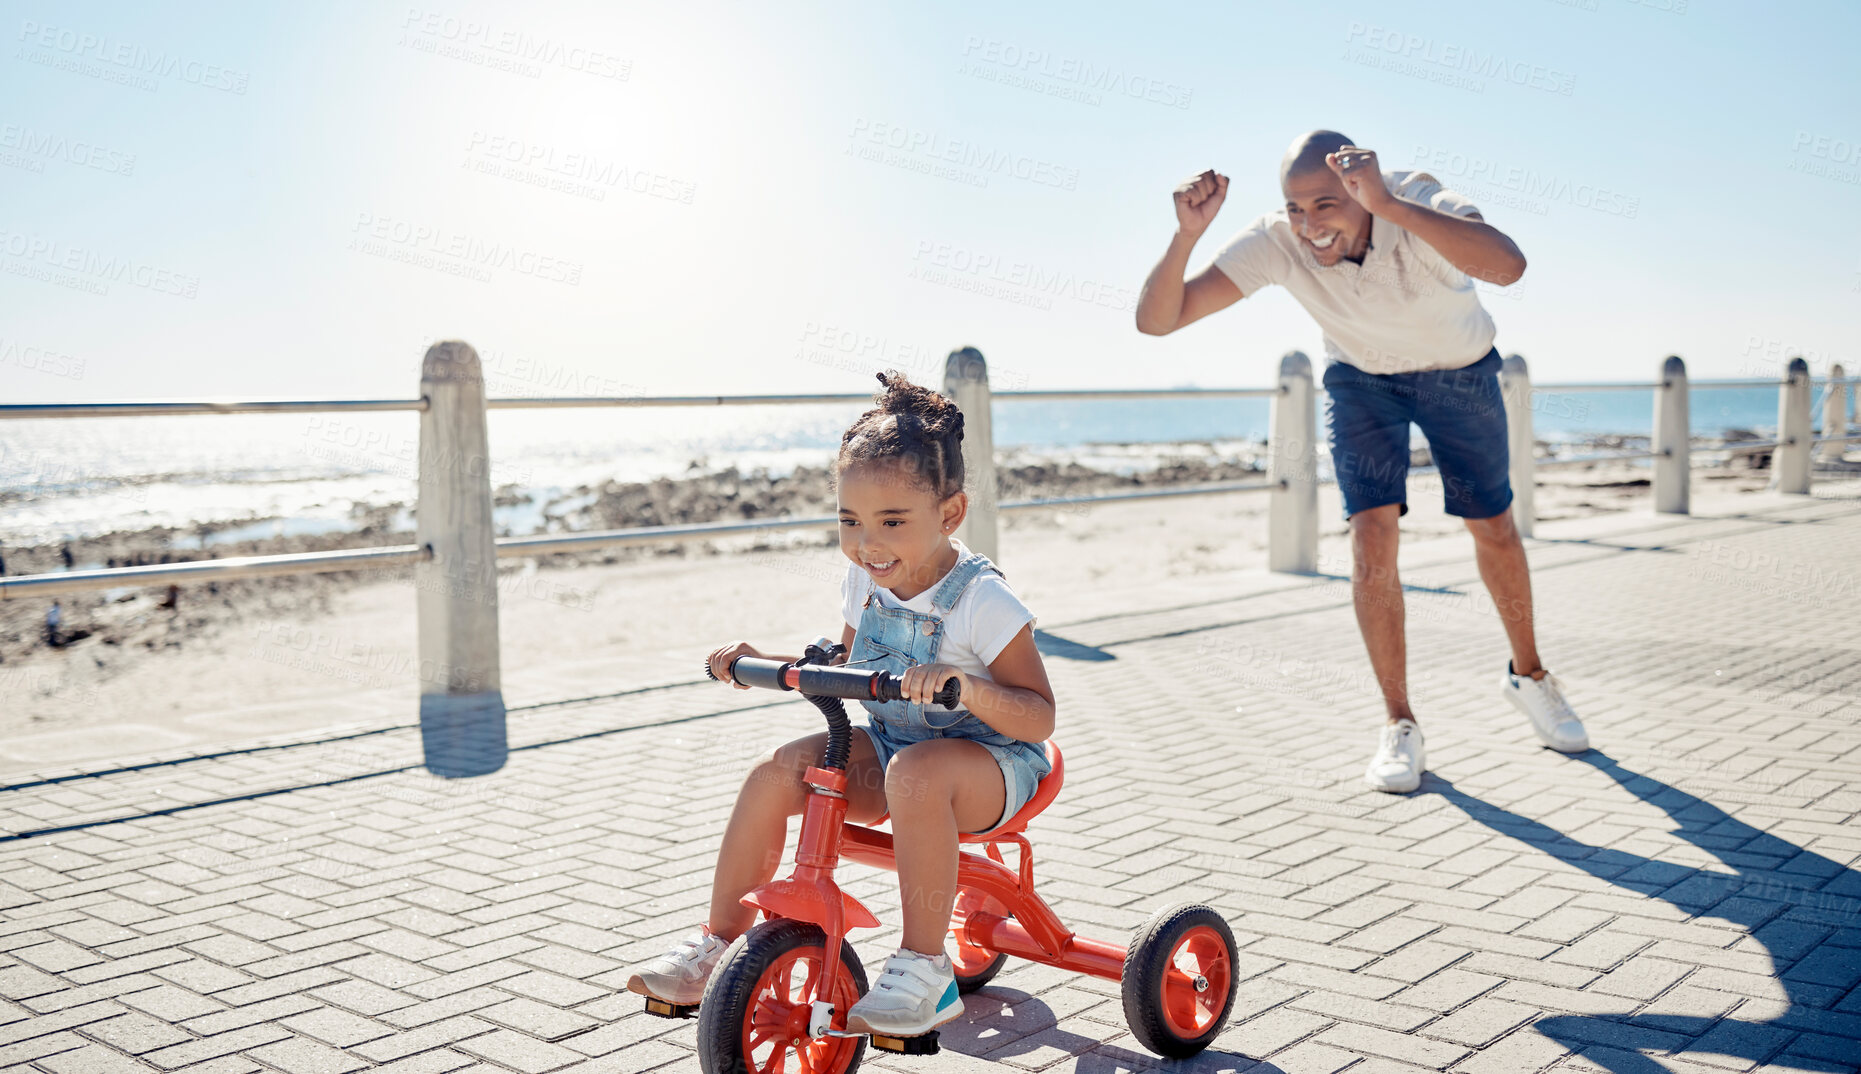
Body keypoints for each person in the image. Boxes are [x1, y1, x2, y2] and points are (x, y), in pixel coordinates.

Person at [1135, 129, 1588, 794]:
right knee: (1370, 535)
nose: (1308, 225)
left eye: (1326, 204)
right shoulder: (1277, 240)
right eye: (1295, 207)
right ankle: (1398, 722)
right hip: (1361, 382)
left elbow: (1507, 267)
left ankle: (1531, 677)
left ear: (1359, 190)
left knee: (1491, 525)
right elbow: (1158, 321)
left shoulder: (1414, 199)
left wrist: (1390, 205)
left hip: (1459, 375)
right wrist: (1186, 236)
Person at [625, 371, 1057, 1037]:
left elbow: (1038, 715)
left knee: (917, 775)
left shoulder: (981, 600)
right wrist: (772, 662)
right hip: (893, 749)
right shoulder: (865, 580)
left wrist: (965, 686)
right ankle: (715, 944)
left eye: (891, 522)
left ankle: (923, 966)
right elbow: (850, 667)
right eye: (849, 522)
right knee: (779, 771)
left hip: (995, 762)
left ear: (949, 514)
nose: (867, 543)